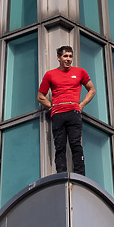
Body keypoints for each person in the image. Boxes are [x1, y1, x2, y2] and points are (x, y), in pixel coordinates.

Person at [37, 45, 96, 175]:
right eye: (65, 56)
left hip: (74, 112)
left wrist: (82, 104)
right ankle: (61, 176)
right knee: (60, 147)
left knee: (76, 145)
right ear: (58, 58)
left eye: (70, 56)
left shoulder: (80, 72)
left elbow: (92, 90)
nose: (68, 59)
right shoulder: (50, 75)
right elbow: (40, 96)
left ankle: (81, 176)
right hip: (58, 114)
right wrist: (52, 106)